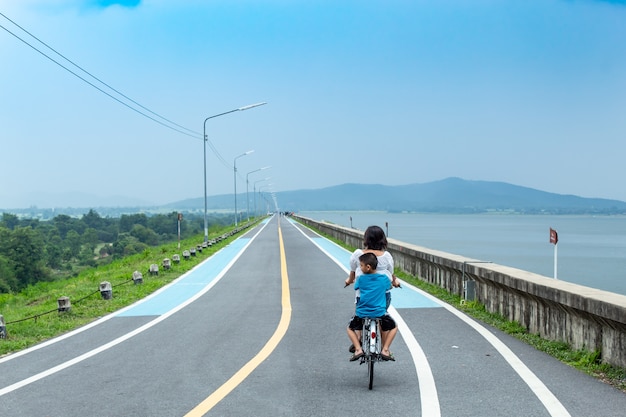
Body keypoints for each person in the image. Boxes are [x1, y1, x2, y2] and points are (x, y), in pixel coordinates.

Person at [347, 252, 398, 362]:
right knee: (394, 327)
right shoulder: (384, 278)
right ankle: (385, 349)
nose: (360, 268)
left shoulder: (360, 279)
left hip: (362, 312)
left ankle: (358, 349)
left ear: (368, 267)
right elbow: (389, 286)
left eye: (361, 265)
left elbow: (356, 287)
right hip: (380, 312)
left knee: (350, 328)